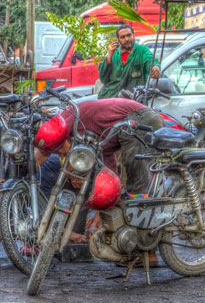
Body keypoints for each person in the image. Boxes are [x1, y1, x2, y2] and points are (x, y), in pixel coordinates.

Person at [32, 97, 164, 245]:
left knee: (138, 185)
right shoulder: (98, 143)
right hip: (134, 120)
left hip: (139, 118)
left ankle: (144, 247)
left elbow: (45, 151)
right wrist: (99, 214)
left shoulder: (69, 117)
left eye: (64, 153)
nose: (64, 154)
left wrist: (25, 173)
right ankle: (131, 241)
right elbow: (110, 178)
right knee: (125, 188)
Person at [97, 24, 160, 99]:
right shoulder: (113, 54)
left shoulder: (142, 50)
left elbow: (150, 60)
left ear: (133, 35)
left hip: (132, 101)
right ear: (118, 40)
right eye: (122, 37)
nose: (126, 39)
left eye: (129, 35)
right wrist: (109, 57)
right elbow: (103, 78)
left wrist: (155, 67)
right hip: (109, 99)